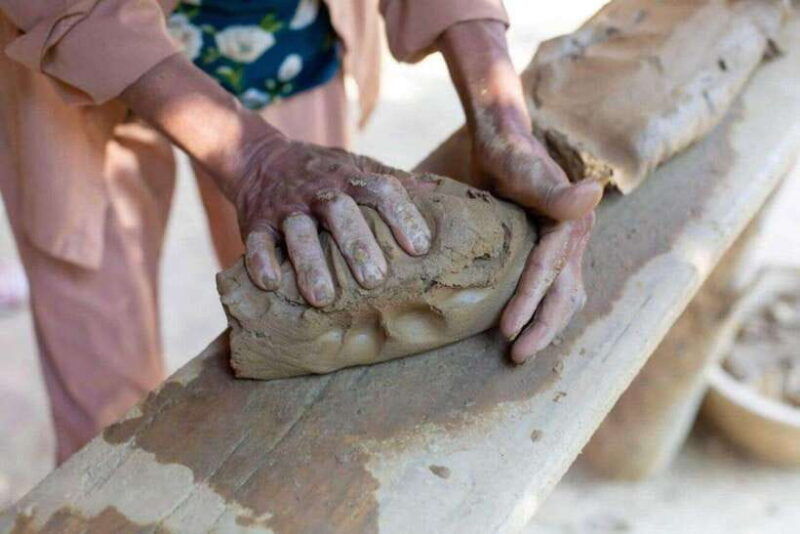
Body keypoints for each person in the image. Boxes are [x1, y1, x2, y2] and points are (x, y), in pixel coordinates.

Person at [0, 0, 601, 463]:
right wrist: (254, 160)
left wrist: (503, 121)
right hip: (69, 51)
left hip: (272, 32)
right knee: (102, 379)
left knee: (315, 288)